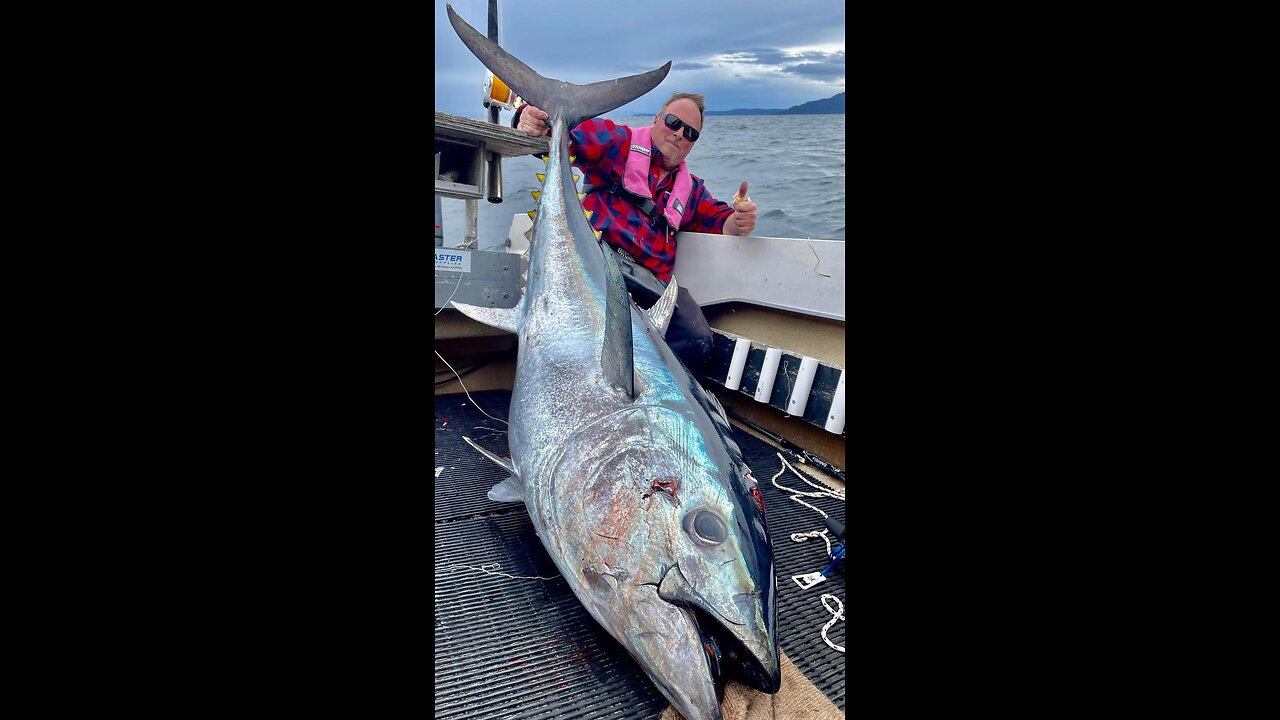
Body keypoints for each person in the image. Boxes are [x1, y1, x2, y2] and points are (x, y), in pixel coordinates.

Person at [512, 92, 757, 377]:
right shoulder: (619, 144)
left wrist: (740, 220)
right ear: (656, 120)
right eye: (674, 122)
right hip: (596, 262)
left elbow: (721, 222)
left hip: (649, 284)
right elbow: (564, 136)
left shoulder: (692, 190)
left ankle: (654, 396)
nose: (679, 134)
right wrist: (529, 118)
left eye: (690, 133)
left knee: (697, 338)